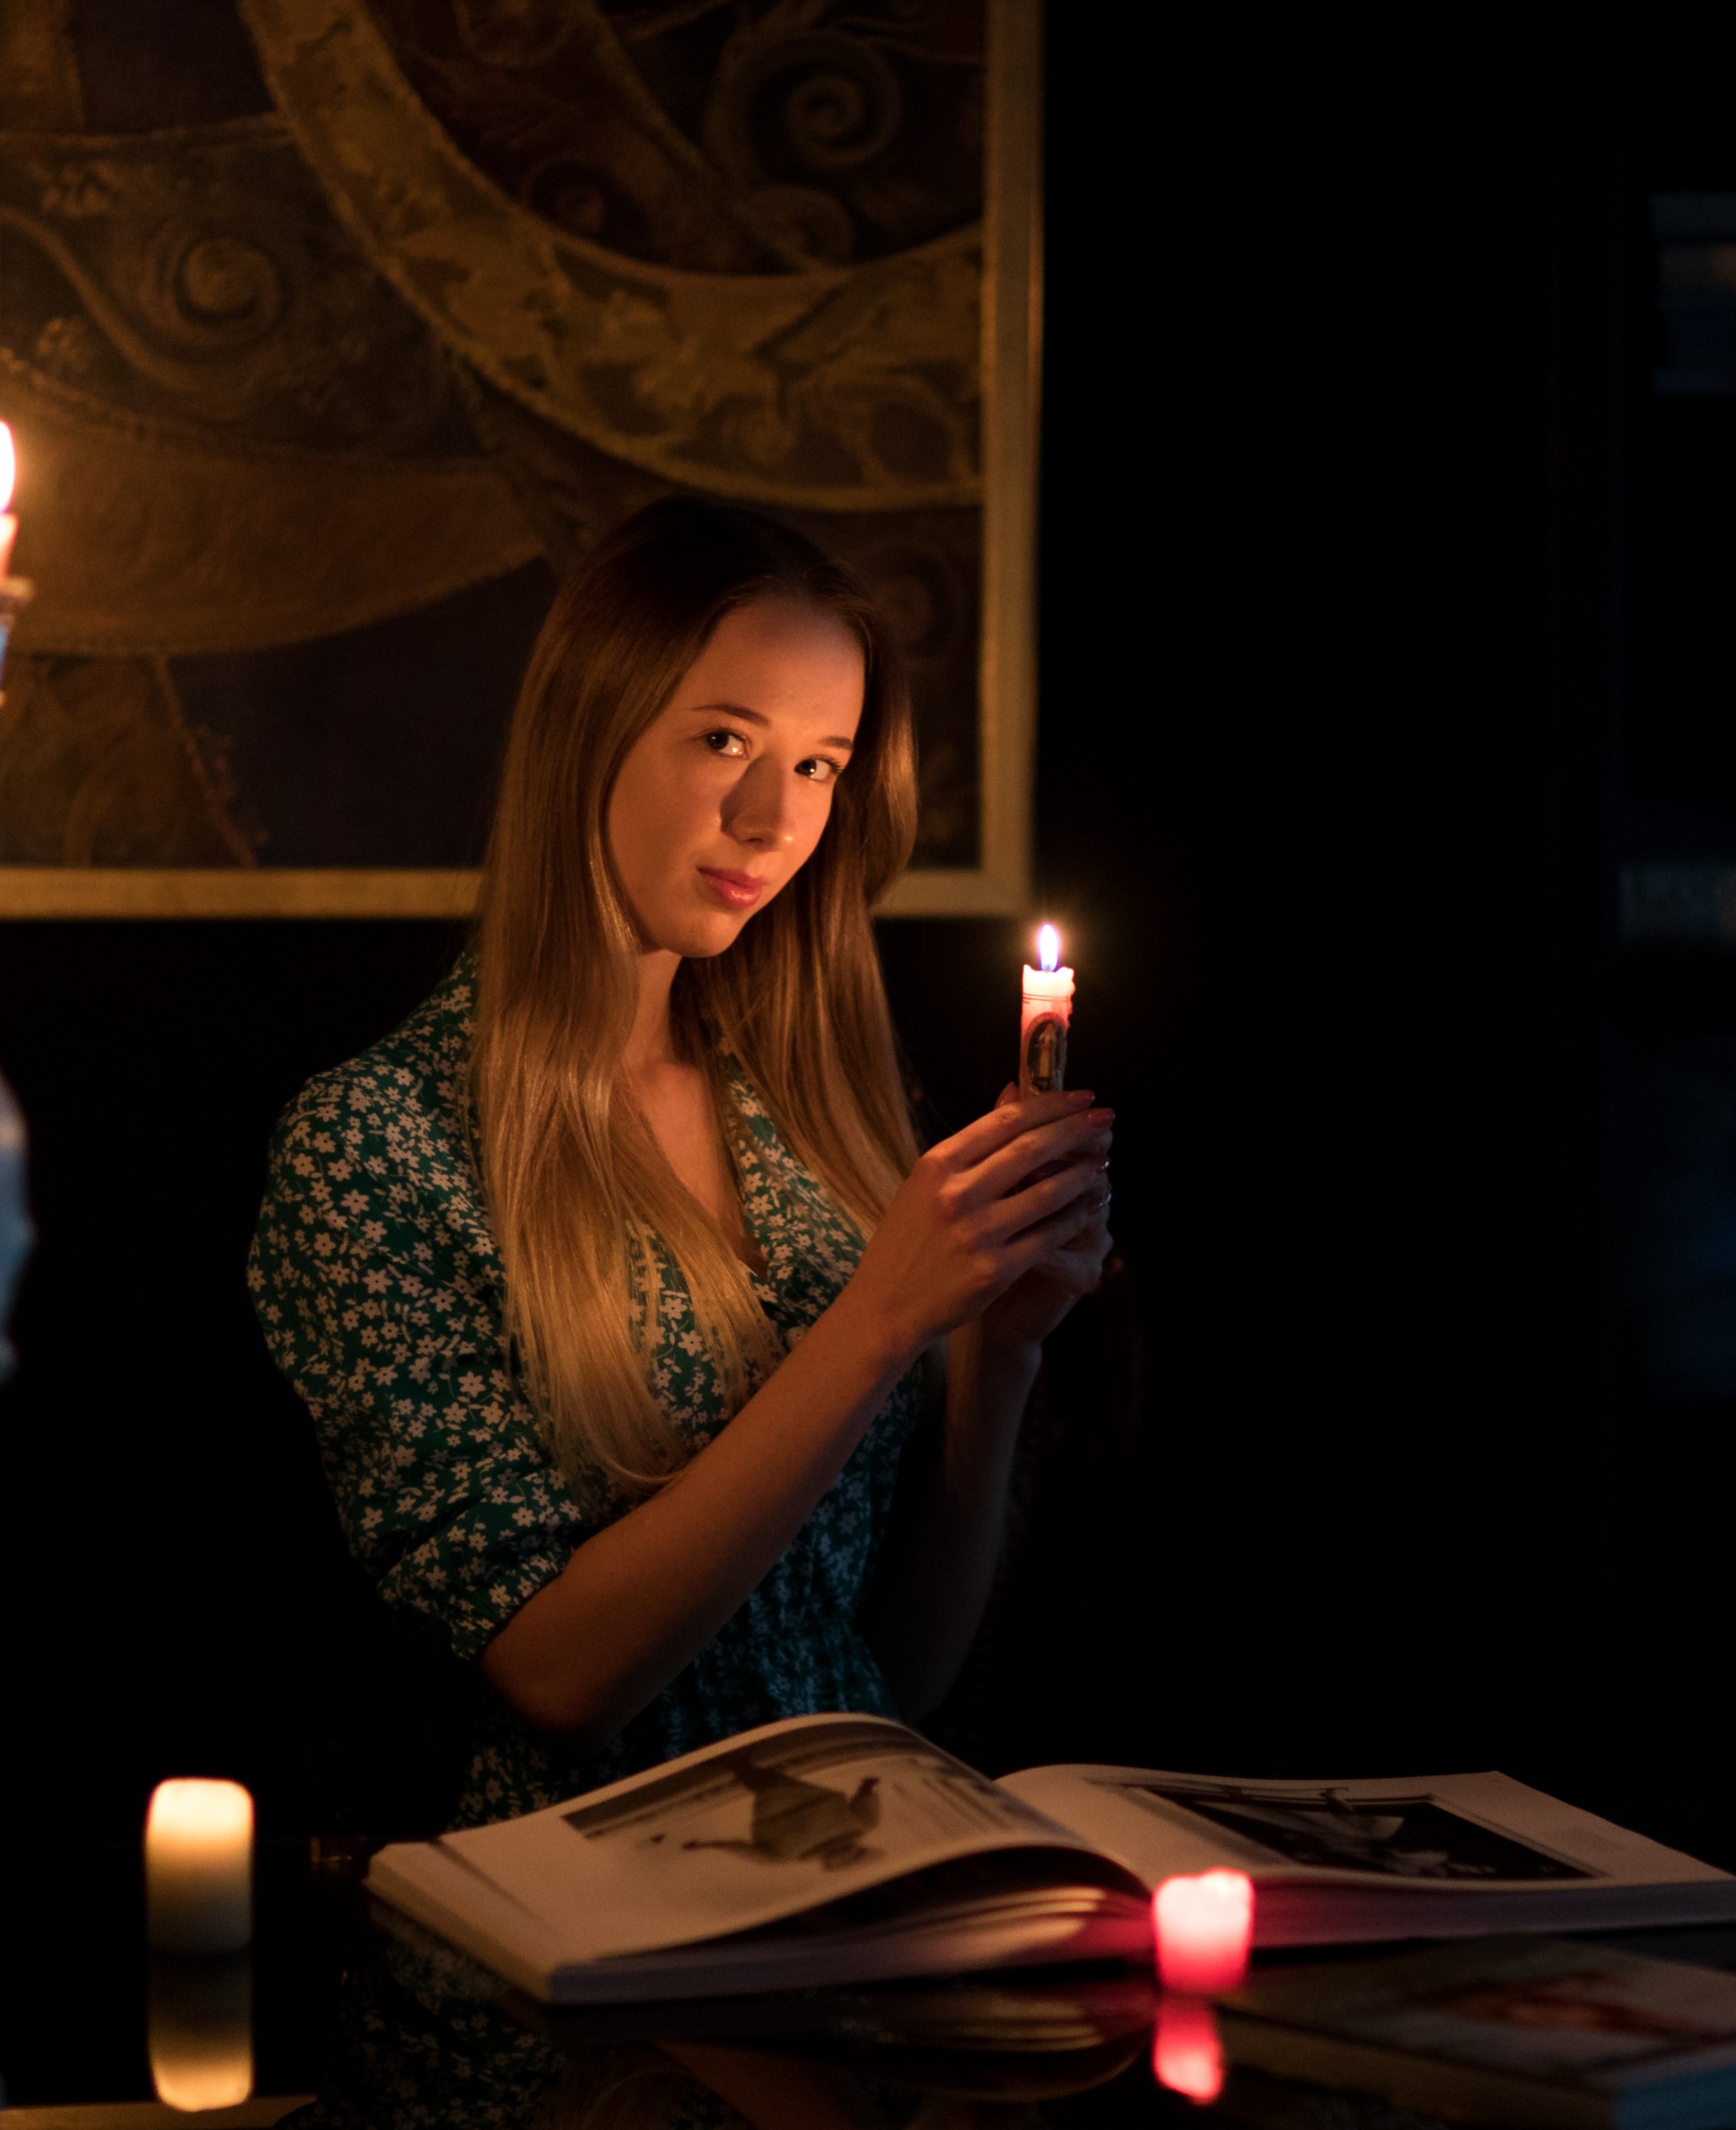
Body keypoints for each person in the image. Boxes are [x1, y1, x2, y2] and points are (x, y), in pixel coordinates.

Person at [249, 499, 1115, 1826]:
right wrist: (883, 1318)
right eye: (726, 740)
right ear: (591, 729)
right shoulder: (379, 1147)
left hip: (860, 1890)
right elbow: (561, 1677)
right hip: (570, 1939)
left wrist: (997, 1352)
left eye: (822, 766)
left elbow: (899, 1675)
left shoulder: (824, 1120)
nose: (773, 819)